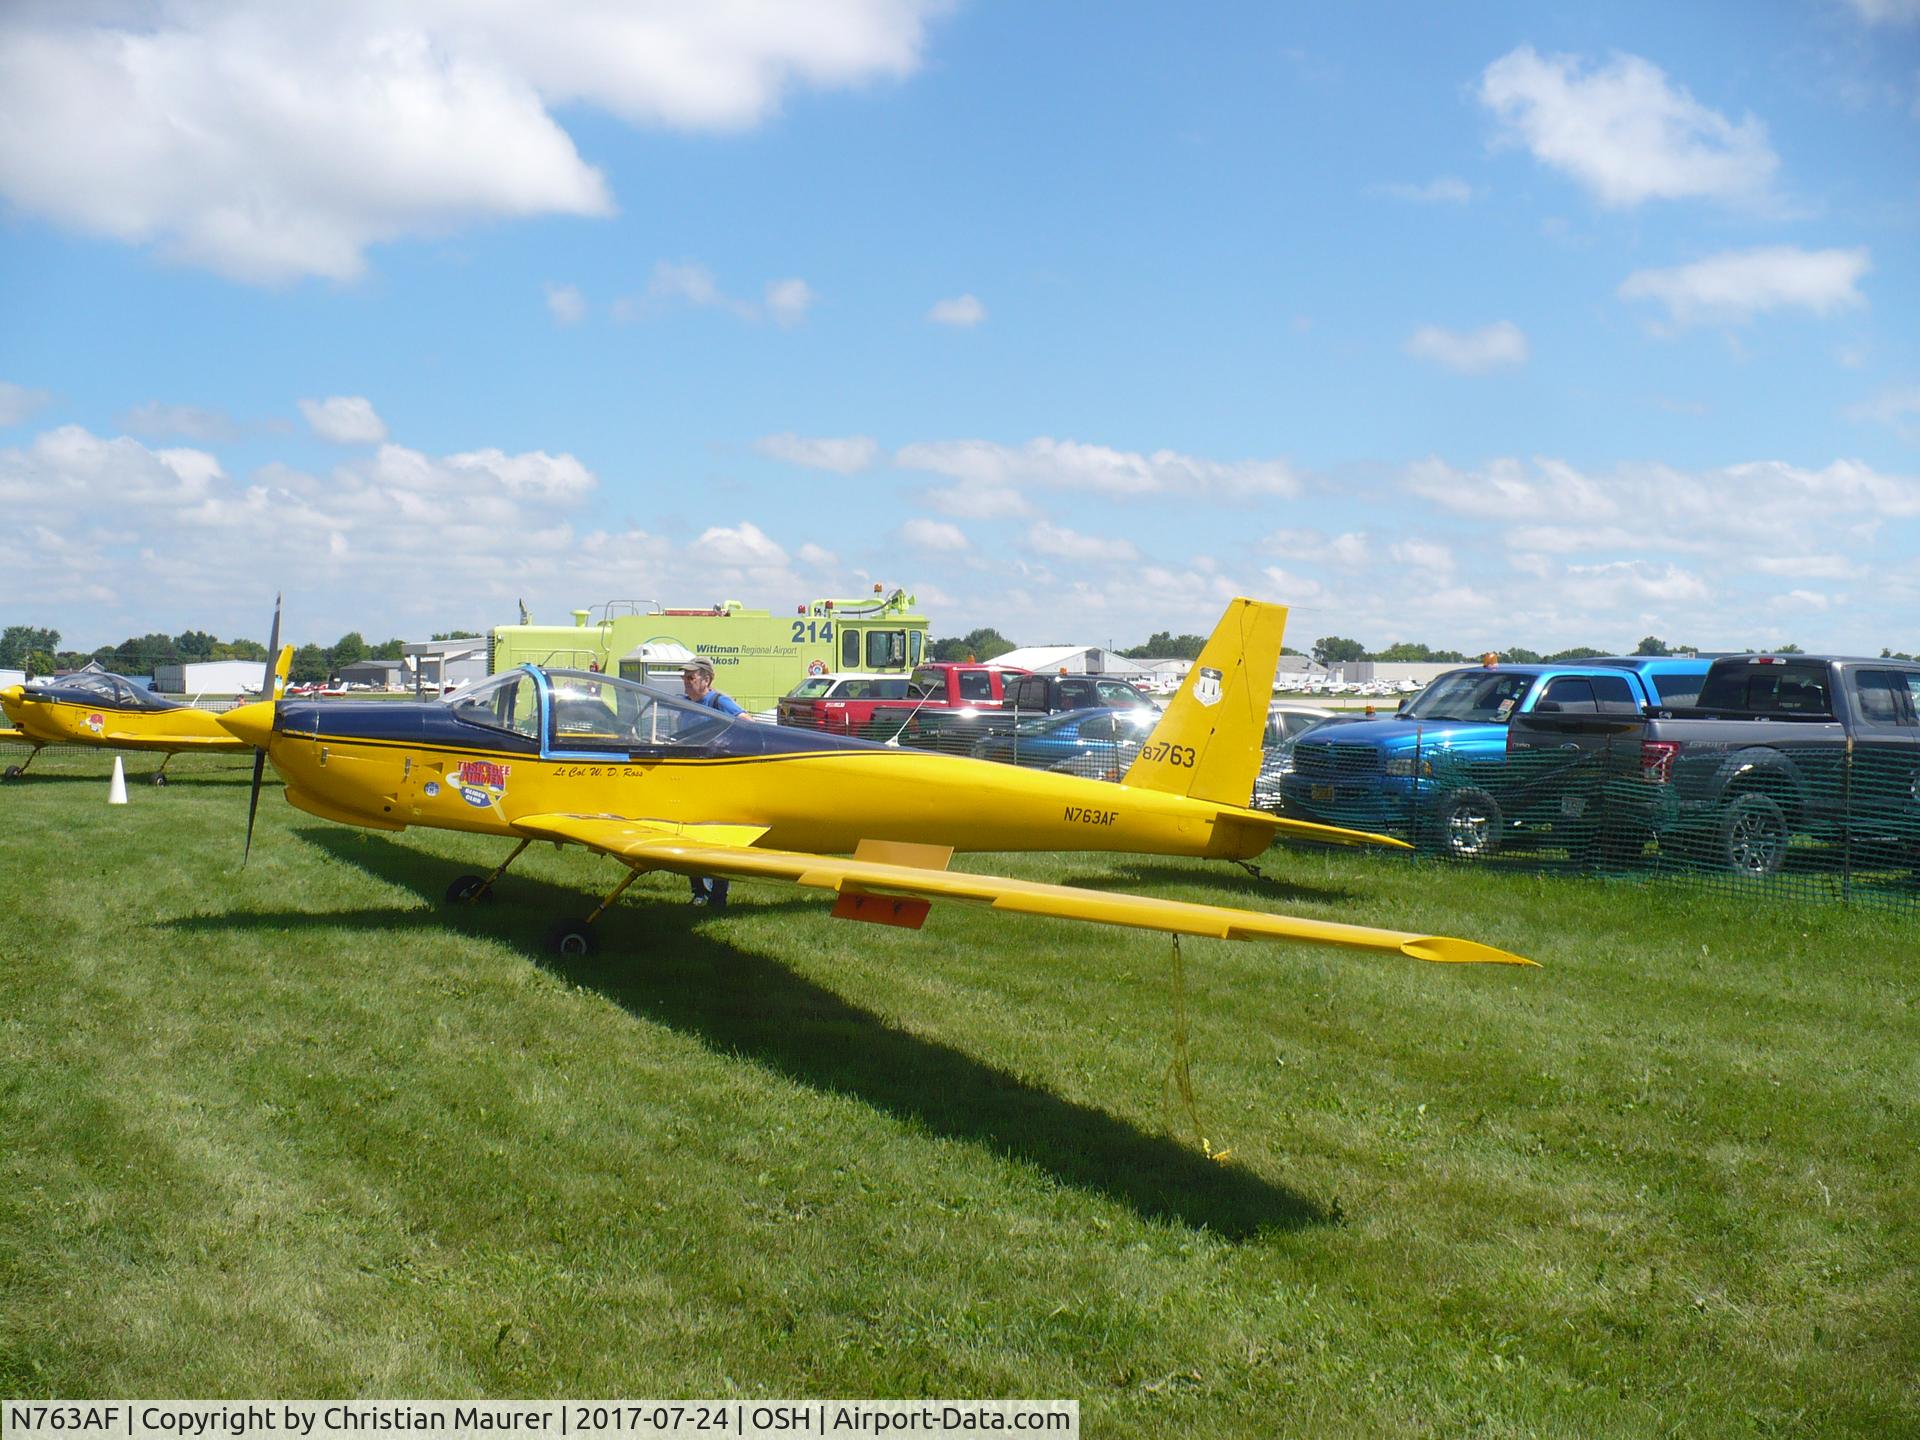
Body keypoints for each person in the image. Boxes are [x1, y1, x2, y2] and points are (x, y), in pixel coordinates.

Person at [680, 656, 746, 908]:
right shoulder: (685, 705)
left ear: (706, 680)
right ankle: (698, 891)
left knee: (717, 840)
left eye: (691, 678)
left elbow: (748, 726)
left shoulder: (720, 702)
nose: (686, 682)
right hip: (692, 780)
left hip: (718, 781)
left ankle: (718, 896)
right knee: (687, 835)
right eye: (684, 678)